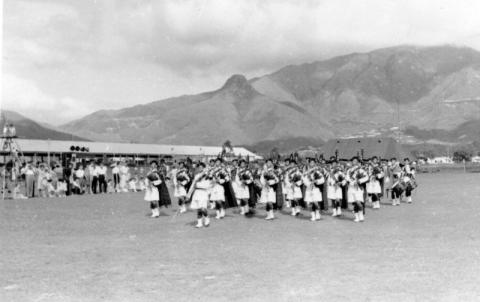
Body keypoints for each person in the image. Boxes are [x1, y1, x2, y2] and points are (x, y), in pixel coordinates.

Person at [189, 162, 211, 228]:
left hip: (204, 192)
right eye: (199, 167)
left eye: (201, 167)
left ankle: (207, 218)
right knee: (199, 209)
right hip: (197, 192)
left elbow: (209, 184)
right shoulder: (196, 176)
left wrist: (208, 194)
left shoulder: (207, 175)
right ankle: (199, 223)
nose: (200, 168)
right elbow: (193, 185)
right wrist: (188, 194)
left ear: (204, 168)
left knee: (203, 208)